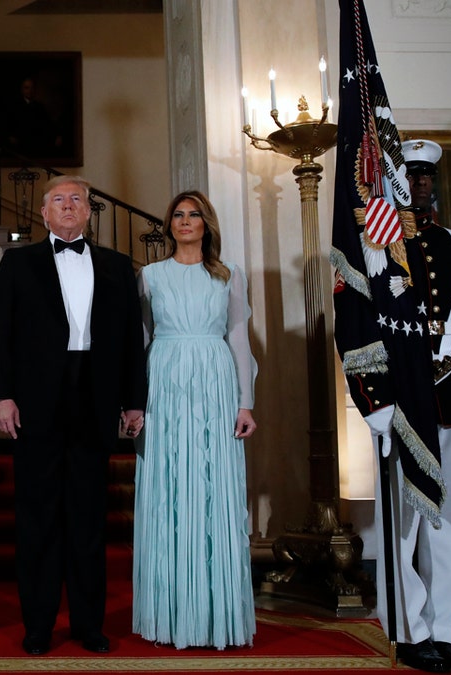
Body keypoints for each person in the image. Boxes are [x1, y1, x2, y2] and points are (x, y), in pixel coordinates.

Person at [0, 175, 147, 655]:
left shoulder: (119, 266)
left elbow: (130, 341)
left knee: (88, 520)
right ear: (44, 212)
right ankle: (37, 626)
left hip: (94, 398)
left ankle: (88, 625)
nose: (69, 204)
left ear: (90, 210)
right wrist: (2, 395)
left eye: (78, 198)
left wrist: (134, 399)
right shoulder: (17, 262)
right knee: (37, 519)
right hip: (35, 402)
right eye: (59, 199)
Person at [362, 139, 451, 673]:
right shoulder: (381, 245)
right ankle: (408, 629)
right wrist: (377, 398)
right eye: (409, 176)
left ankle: (445, 628)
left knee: (450, 521)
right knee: (402, 524)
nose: (417, 184)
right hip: (406, 396)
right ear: (396, 183)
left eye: (424, 176)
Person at [132, 190, 257, 650]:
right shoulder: (150, 276)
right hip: (163, 384)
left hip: (215, 383)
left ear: (207, 224)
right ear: (170, 225)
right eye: (178, 215)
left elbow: (239, 337)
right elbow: (141, 340)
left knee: (213, 490)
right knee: (168, 489)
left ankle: (214, 614)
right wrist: (135, 403)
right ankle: (168, 615)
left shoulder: (229, 276)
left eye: (194, 215)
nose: (186, 221)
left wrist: (246, 402)